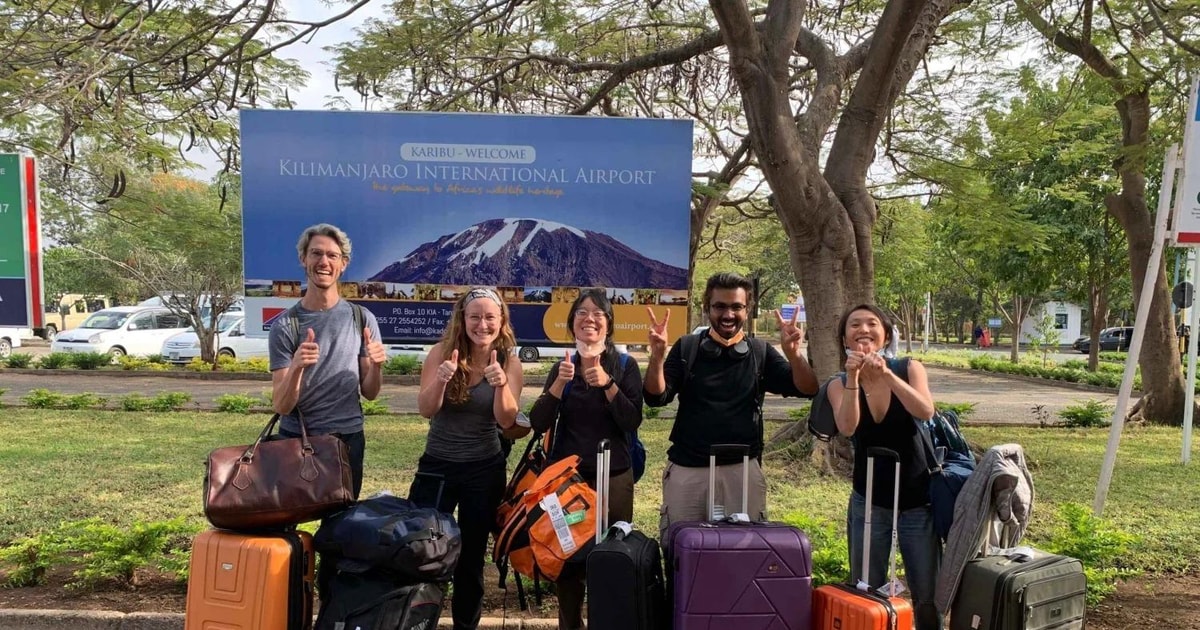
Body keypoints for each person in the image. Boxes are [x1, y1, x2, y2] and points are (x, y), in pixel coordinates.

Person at [644, 272, 818, 537]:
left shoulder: (760, 353)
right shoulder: (687, 348)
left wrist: (794, 354)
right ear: (707, 309)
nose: (728, 314)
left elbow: (807, 389)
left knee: (742, 555)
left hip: (742, 471)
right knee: (681, 553)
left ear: (747, 310)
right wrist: (657, 357)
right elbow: (656, 397)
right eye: (720, 306)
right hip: (688, 470)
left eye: (736, 307)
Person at [268, 223, 388, 594]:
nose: (324, 261)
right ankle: (289, 603)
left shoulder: (361, 319)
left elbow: (370, 393)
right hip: (296, 440)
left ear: (343, 264)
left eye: (332, 256)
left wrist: (376, 366)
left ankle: (333, 608)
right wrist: (299, 368)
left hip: (346, 443)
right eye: (317, 253)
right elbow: (282, 403)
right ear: (304, 259)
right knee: (287, 533)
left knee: (340, 535)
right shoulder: (285, 326)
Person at [528, 288, 644, 630]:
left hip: (614, 478)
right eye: (581, 312)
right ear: (572, 323)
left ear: (608, 324)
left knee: (611, 558)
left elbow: (632, 420)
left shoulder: (624, 366)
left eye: (598, 313)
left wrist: (608, 385)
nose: (589, 318)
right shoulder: (562, 367)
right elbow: (537, 422)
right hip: (567, 484)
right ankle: (570, 624)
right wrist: (557, 388)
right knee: (569, 560)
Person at [411, 287, 525, 630]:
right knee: (423, 550)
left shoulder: (510, 361)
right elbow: (425, 410)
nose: (482, 324)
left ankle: (466, 624)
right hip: (437, 467)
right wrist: (441, 381)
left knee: (471, 557)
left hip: (484, 469)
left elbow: (507, 421)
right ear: (463, 319)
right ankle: (417, 620)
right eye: (474, 316)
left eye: (490, 317)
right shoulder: (441, 353)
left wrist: (502, 384)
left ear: (501, 320)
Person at [826, 303, 941, 630]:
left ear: (886, 334)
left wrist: (887, 374)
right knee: (866, 585)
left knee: (927, 591)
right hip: (869, 498)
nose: (863, 329)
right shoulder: (838, 383)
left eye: (871, 324)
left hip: (918, 499)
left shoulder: (909, 368)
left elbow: (925, 410)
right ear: (845, 338)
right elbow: (847, 427)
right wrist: (853, 377)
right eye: (854, 325)